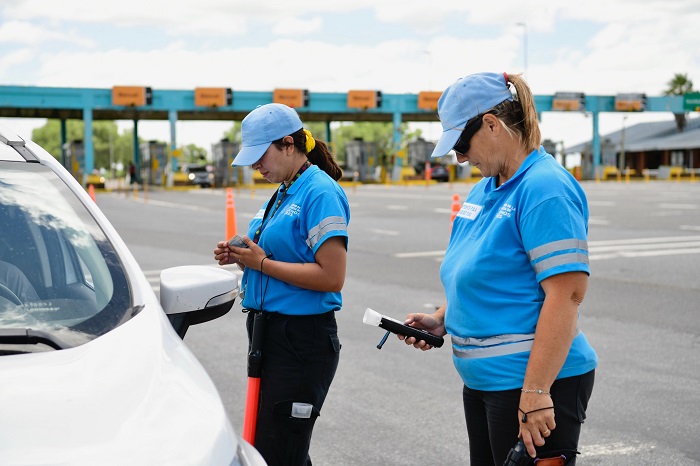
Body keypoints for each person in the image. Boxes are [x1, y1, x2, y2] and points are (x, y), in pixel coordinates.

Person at [400, 72, 598, 465]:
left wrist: (538, 392)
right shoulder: (485, 188)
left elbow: (567, 295)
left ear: (492, 124)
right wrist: (443, 318)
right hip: (486, 383)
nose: (458, 157)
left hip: (529, 382)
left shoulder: (544, 188)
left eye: (460, 143)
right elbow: (487, 276)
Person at [213, 103, 349, 466]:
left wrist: (262, 263)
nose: (256, 166)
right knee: (271, 449)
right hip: (268, 333)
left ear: (288, 144)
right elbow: (277, 253)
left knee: (279, 453)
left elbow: (332, 277)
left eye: (261, 156)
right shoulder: (285, 189)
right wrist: (242, 254)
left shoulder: (319, 191)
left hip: (301, 340)